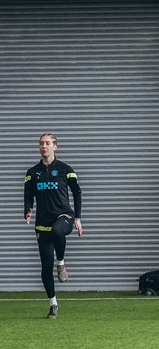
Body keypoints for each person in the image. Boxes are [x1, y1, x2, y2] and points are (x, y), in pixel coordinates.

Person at [24, 133, 83, 319]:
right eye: (41, 143)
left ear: (55, 147)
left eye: (48, 143)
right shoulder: (32, 173)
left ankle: (62, 264)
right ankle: (53, 305)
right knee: (45, 268)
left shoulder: (65, 169)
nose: (44, 146)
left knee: (59, 231)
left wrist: (78, 218)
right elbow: (28, 195)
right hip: (42, 223)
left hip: (64, 215)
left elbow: (77, 192)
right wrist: (28, 209)